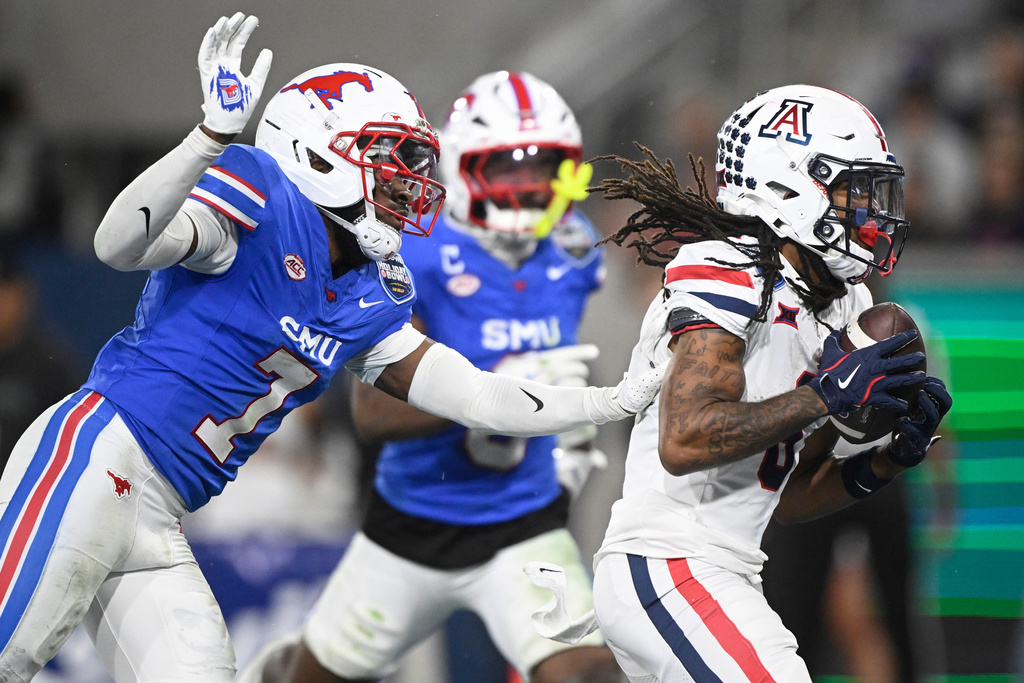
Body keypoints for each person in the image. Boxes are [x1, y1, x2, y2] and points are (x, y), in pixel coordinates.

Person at [0, 14, 663, 682]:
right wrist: (208, 137)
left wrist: (611, 398)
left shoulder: (375, 290)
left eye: (411, 161)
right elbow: (117, 245)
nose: (408, 180)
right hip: (95, 457)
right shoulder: (261, 193)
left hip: (162, 509)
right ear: (320, 152)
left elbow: (475, 393)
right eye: (389, 156)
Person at [526, 85, 954, 681]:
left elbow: (792, 497)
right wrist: (823, 396)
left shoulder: (838, 302)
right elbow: (685, 441)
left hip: (729, 569)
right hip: (668, 563)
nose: (872, 212)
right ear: (790, 187)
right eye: (853, 191)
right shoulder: (729, 271)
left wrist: (886, 463)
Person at [237, 70, 623, 683]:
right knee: (308, 678)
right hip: (411, 527)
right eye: (507, 170)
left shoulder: (573, 252)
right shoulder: (413, 253)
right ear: (465, 169)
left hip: (523, 525)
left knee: (588, 674)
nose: (528, 189)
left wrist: (565, 438)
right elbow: (374, 416)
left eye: (543, 167)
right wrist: (507, 384)